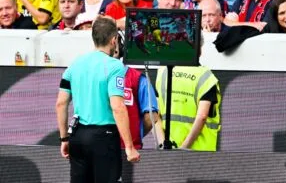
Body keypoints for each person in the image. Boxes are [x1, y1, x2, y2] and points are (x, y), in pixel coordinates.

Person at [55, 17, 140, 183]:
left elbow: (61, 104)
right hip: (104, 138)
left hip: (78, 136)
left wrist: (64, 139)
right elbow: (118, 107)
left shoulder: (74, 65)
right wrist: (129, 147)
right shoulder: (115, 66)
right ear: (114, 40)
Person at [155, 33, 222, 151]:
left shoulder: (163, 73)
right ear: (199, 50)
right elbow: (202, 116)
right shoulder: (205, 77)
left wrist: (161, 144)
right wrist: (184, 148)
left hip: (168, 151)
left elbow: (154, 115)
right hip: (201, 153)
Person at [113, 35, 160, 149]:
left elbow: (151, 117)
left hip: (128, 151)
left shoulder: (138, 79)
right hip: (101, 150)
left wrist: (134, 135)